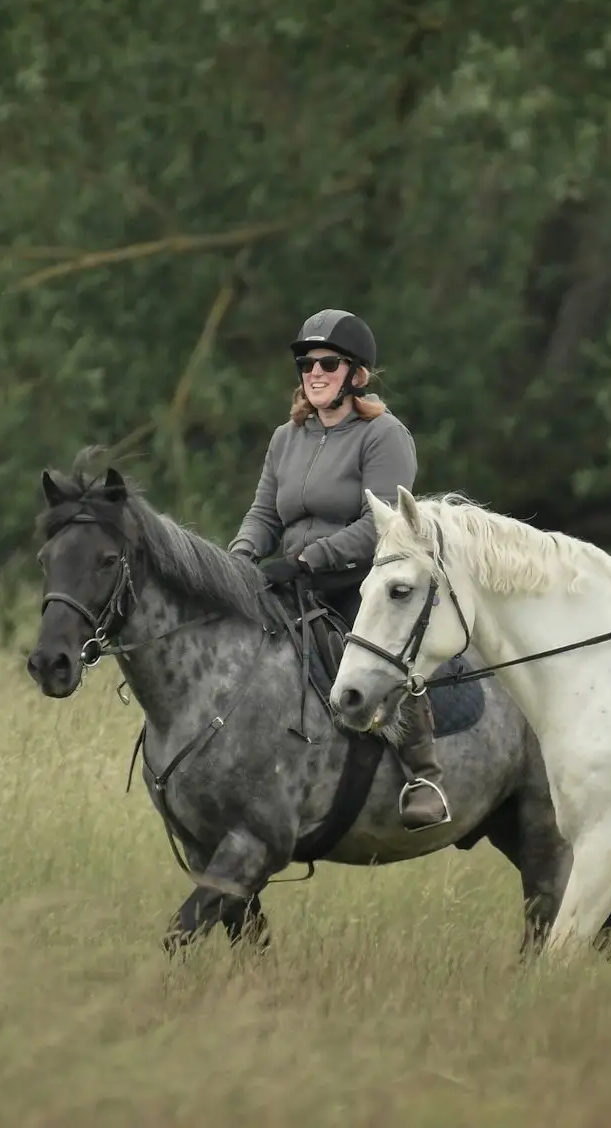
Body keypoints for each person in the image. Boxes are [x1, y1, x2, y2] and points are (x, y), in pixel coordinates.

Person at [228, 309, 450, 831]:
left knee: (382, 654)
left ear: (357, 375)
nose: (315, 372)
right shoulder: (286, 437)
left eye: (329, 362)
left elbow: (383, 525)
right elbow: (263, 513)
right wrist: (237, 560)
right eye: (307, 364)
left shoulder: (384, 435)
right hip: (290, 578)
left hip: (361, 582)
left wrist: (309, 559)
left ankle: (424, 774)